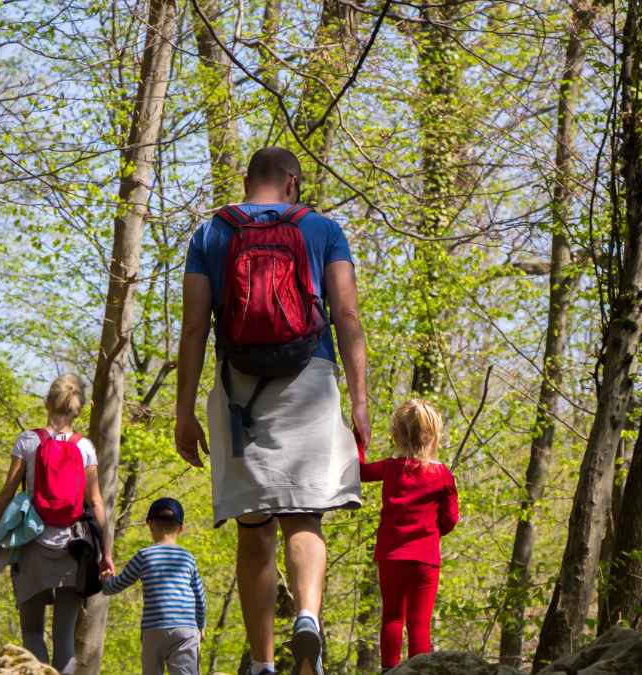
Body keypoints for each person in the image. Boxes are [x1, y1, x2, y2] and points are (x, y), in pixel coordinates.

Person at [175, 147, 370, 675]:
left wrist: (185, 410)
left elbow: (194, 328)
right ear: (291, 181)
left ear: (247, 180)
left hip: (241, 390)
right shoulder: (322, 229)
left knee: (254, 527)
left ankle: (262, 662)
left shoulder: (211, 234)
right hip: (309, 379)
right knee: (304, 516)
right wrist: (359, 401)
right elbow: (346, 314)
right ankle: (307, 614)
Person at [0, 374, 111, 674]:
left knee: (32, 632)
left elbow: (7, 495)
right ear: (79, 409)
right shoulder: (85, 447)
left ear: (46, 403)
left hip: (31, 546)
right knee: (64, 638)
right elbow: (97, 503)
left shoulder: (27, 441)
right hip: (74, 550)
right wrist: (107, 554)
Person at [358, 399, 459, 672]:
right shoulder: (443, 475)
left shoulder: (391, 468)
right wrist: (432, 531)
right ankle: (419, 671)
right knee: (419, 622)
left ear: (398, 435)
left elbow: (359, 471)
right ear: (434, 436)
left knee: (392, 617)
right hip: (425, 560)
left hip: (391, 556)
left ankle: (389, 669)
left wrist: (358, 440)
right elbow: (450, 520)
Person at [101, 497, 206, 675]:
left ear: (149, 524)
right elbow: (200, 597)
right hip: (185, 628)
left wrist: (106, 581)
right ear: (181, 528)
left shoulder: (144, 556)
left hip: (154, 628)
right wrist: (200, 626)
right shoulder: (187, 558)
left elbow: (117, 585)